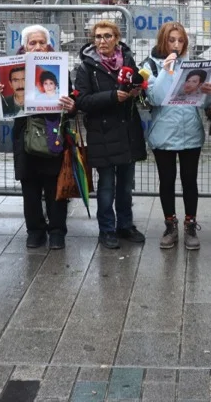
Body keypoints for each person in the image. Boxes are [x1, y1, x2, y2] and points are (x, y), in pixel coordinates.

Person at [74, 20, 147, 249]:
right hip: (102, 132)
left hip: (127, 130)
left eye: (107, 36)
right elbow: (82, 101)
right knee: (106, 186)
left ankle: (125, 225)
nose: (102, 41)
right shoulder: (86, 67)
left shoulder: (128, 60)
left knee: (125, 185)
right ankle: (106, 229)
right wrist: (112, 97)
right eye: (97, 37)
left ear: (116, 38)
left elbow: (137, 84)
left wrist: (137, 91)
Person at [4, 24, 74, 249]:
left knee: (55, 185)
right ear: (24, 46)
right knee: (30, 187)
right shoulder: (12, 70)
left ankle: (57, 231)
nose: (37, 47)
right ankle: (34, 230)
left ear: (48, 45)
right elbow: (4, 100)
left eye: (41, 42)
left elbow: (71, 97)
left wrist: (71, 104)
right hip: (24, 136)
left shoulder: (58, 68)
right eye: (32, 43)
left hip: (52, 133)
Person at [144, 22, 211, 250]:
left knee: (190, 180)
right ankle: (170, 224)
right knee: (167, 180)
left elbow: (203, 104)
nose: (176, 44)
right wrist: (166, 69)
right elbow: (154, 97)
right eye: (171, 40)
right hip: (163, 132)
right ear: (163, 40)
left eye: (180, 40)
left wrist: (209, 94)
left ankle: (190, 223)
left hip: (190, 131)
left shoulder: (191, 65)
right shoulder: (150, 65)